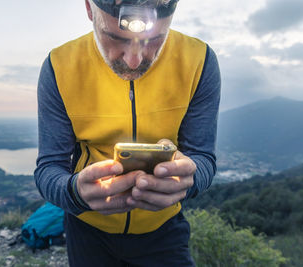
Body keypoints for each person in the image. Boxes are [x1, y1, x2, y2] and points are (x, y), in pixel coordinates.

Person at [34, 0, 220, 266]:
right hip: (87, 230)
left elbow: (202, 157)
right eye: (114, 37)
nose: (134, 60)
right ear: (89, 8)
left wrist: (187, 181)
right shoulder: (59, 65)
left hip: (163, 228)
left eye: (156, 39)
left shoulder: (199, 60)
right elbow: (49, 168)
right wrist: (75, 192)